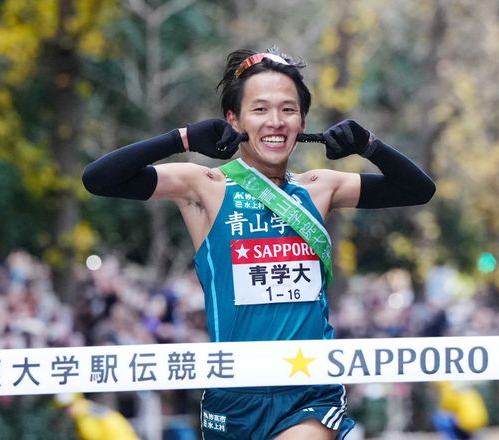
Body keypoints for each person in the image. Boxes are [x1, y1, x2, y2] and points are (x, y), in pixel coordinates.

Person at [82, 47, 436, 439]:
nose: (276, 122)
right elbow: (99, 179)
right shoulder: (205, 186)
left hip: (308, 390)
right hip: (233, 394)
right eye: (260, 109)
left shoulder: (320, 188)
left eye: (288, 110)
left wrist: (369, 146)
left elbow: (418, 190)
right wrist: (181, 138)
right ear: (234, 120)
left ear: (302, 121)